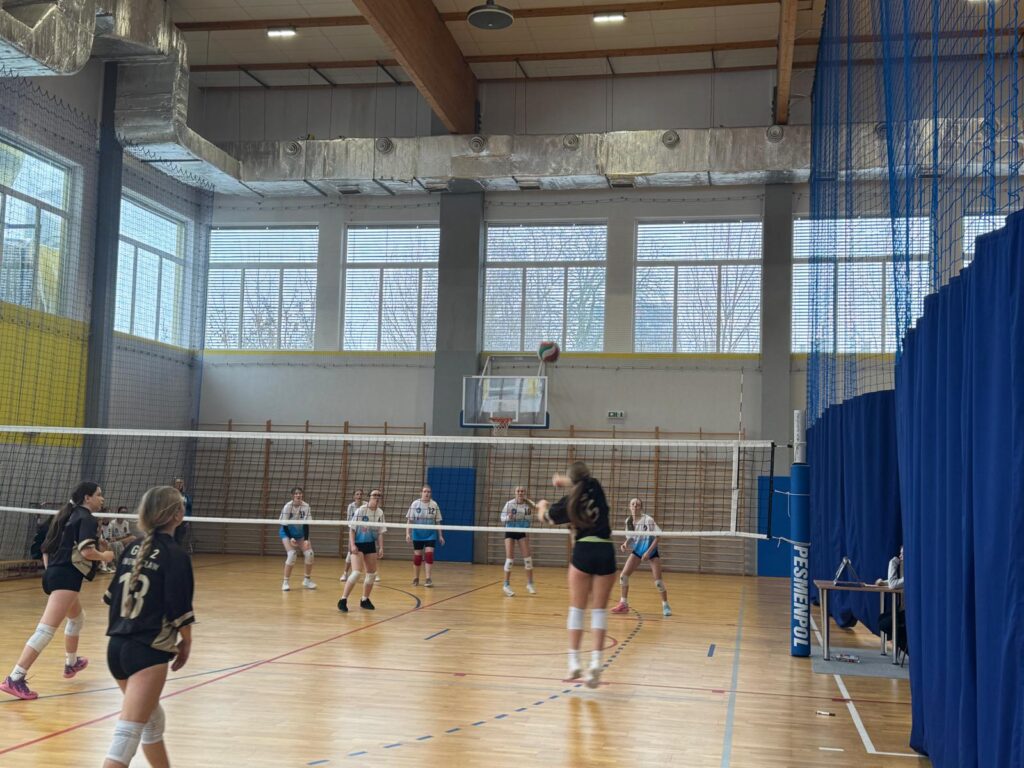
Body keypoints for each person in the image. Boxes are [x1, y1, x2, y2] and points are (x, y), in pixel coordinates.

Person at [101, 485, 194, 768]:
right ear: (177, 515)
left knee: (152, 722)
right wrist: (186, 642)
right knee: (126, 738)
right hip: (147, 651)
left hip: (116, 648)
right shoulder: (176, 555)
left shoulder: (132, 548)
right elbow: (179, 608)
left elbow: (111, 598)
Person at [1, 481, 115, 700]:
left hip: (55, 573)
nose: (102, 499)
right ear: (87, 498)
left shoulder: (66, 516)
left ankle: (71, 663)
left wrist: (52, 571)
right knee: (45, 630)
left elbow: (45, 548)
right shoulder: (86, 518)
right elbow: (87, 551)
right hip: (66, 578)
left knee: (77, 618)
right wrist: (105, 556)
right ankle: (15, 677)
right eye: (99, 495)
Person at [536, 461, 615, 689]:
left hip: (583, 551)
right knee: (599, 611)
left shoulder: (568, 502)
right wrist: (564, 480)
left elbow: (546, 517)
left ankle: (573, 663)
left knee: (577, 610)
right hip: (605, 550)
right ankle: (596, 663)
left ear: (572, 480)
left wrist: (542, 505)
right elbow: (582, 480)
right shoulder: (595, 487)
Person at [610, 498, 671, 617]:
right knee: (623, 576)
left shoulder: (648, 520)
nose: (635, 506)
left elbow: (658, 536)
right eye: (632, 504)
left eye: (637, 504)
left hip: (651, 552)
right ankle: (623, 604)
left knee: (658, 582)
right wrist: (625, 544)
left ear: (641, 507)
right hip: (637, 551)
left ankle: (665, 605)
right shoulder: (628, 521)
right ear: (629, 507)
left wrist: (648, 552)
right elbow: (631, 537)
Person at [338, 489, 386, 612]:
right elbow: (352, 529)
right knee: (356, 573)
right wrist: (352, 545)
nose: (377, 497)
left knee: (371, 574)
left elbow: (380, 532)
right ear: (369, 497)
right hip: (358, 544)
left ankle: (364, 600)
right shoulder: (361, 510)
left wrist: (381, 547)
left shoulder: (380, 512)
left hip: (370, 544)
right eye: (374, 495)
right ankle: (343, 600)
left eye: (379, 495)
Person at [500, 486, 537, 597]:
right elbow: (502, 518)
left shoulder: (528, 504)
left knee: (528, 558)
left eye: (522, 491)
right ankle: (506, 585)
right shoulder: (509, 504)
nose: (520, 493)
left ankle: (530, 584)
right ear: (515, 493)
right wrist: (509, 517)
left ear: (524, 493)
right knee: (510, 559)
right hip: (510, 531)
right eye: (518, 491)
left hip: (521, 531)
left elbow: (529, 519)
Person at [406, 485, 444, 587]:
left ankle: (428, 579)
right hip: (417, 534)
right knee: (418, 557)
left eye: (429, 492)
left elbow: (438, 522)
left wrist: (440, 535)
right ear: (421, 493)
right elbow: (409, 520)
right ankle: (416, 578)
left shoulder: (434, 504)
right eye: (425, 491)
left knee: (429, 555)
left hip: (430, 534)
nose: (427, 493)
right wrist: (408, 533)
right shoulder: (415, 504)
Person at [279, 487, 316, 592]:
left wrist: (306, 539)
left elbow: (306, 524)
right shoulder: (287, 506)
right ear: (292, 496)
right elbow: (284, 525)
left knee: (309, 554)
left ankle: (307, 580)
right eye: (296, 493)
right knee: (292, 554)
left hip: (300, 534)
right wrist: (291, 538)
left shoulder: (306, 506)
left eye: (300, 493)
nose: (298, 495)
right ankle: (285, 582)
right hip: (287, 533)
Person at [341, 489, 364, 583]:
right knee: (350, 553)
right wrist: (354, 530)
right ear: (354, 496)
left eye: (360, 494)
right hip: (354, 531)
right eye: (357, 494)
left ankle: (373, 573)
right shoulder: (351, 506)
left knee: (367, 553)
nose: (359, 496)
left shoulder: (366, 505)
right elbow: (349, 521)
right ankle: (345, 573)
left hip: (365, 532)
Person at [172, 478, 192, 552]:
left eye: (181, 483)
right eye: (177, 483)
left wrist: (188, 520)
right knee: (171, 538)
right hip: (172, 520)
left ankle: (176, 553)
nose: (179, 485)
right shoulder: (170, 495)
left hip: (183, 520)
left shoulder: (186, 496)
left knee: (179, 539)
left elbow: (189, 508)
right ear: (174, 485)